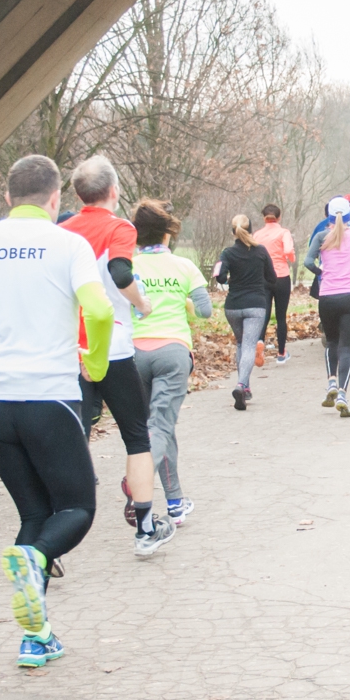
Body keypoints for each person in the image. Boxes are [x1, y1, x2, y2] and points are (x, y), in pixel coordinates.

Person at [0, 154, 116, 667]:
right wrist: (94, 361)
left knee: (34, 512)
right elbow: (98, 309)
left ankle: (36, 636)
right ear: (57, 199)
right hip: (47, 392)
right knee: (76, 508)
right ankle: (35, 559)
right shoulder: (69, 243)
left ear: (8, 197)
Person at [60, 156, 164, 550]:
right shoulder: (120, 227)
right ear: (115, 191)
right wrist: (143, 303)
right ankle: (145, 530)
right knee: (137, 437)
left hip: (71, 349)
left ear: (76, 193)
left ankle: (54, 535)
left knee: (74, 439)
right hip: (114, 346)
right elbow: (121, 274)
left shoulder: (62, 232)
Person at [131, 199, 210, 529]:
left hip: (133, 355)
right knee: (160, 426)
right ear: (167, 234)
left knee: (156, 427)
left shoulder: (126, 265)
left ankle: (175, 502)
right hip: (173, 353)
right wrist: (186, 301)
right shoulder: (183, 266)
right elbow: (206, 311)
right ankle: (135, 483)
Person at [305, 197, 350, 416]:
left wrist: (322, 273)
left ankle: (331, 383)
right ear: (349, 215)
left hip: (328, 297)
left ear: (328, 215)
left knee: (331, 343)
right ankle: (343, 394)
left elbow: (308, 262)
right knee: (346, 347)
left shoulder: (320, 236)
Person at [213, 214, 278, 411]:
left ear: (233, 231)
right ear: (250, 230)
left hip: (233, 305)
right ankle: (241, 385)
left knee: (241, 344)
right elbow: (273, 278)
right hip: (255, 304)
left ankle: (246, 386)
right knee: (250, 344)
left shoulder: (228, 253)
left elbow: (220, 277)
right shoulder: (260, 251)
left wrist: (231, 280)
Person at [254, 203, 296, 364]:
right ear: (279, 217)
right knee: (280, 316)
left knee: (263, 314)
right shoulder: (284, 233)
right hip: (281, 276)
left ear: (263, 217)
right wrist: (291, 259)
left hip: (263, 277)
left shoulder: (257, 235)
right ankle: (281, 353)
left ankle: (260, 343)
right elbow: (288, 251)